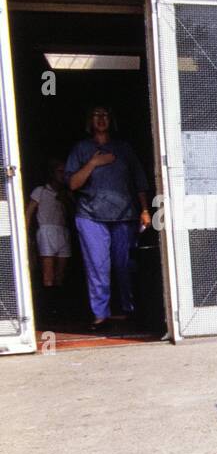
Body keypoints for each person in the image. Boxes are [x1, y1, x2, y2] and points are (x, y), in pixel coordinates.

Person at [65, 105, 151, 328]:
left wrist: (144, 210)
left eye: (105, 115)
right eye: (96, 115)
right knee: (98, 266)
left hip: (124, 215)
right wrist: (93, 163)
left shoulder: (123, 148)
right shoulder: (82, 149)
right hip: (90, 216)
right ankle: (100, 314)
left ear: (111, 120)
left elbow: (139, 181)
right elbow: (72, 184)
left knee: (124, 264)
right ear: (89, 121)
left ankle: (127, 309)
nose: (101, 119)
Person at [26, 157, 73, 295]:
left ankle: (58, 303)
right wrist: (26, 235)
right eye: (60, 171)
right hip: (46, 231)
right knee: (48, 274)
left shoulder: (67, 193)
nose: (62, 175)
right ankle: (49, 305)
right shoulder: (40, 190)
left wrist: (67, 200)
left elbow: (73, 215)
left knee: (61, 274)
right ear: (52, 173)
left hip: (63, 231)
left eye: (65, 172)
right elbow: (29, 213)